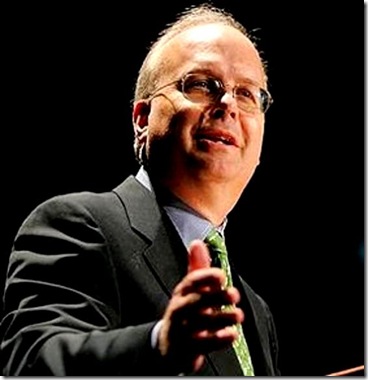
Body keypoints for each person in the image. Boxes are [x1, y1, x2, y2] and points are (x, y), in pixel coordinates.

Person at [0, 3, 280, 376]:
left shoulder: (255, 310)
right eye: (200, 84)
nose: (227, 104)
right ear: (142, 119)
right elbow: (34, 362)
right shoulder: (78, 226)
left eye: (247, 94)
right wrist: (160, 343)